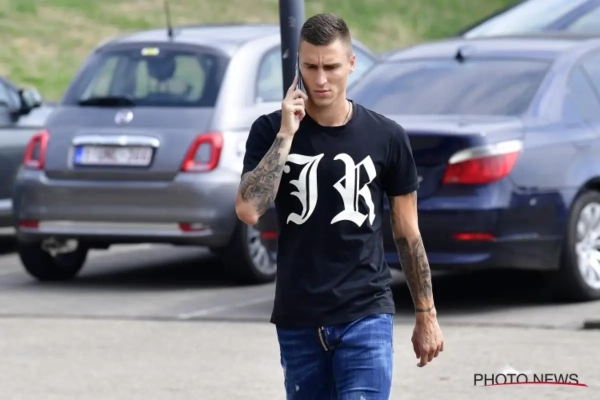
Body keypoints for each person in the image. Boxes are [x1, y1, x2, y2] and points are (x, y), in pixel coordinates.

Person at [235, 12, 444, 400]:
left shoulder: (387, 137)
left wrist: (426, 313)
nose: (320, 80)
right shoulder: (269, 131)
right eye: (310, 67)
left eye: (330, 67)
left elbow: (407, 233)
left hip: (365, 312)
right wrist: (286, 135)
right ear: (298, 66)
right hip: (298, 317)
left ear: (351, 63)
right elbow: (249, 210)